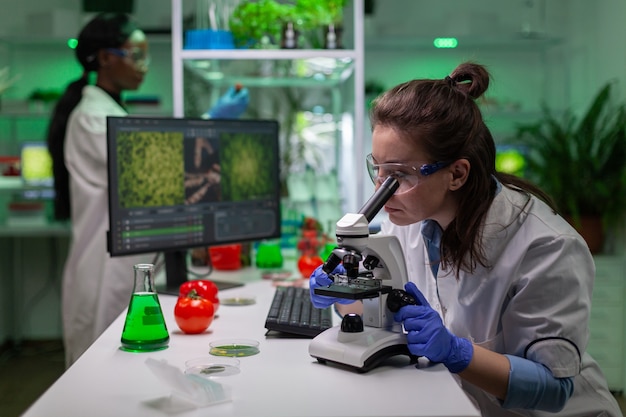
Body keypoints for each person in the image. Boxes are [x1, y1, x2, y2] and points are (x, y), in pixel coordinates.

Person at [309, 62, 622, 416]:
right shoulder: (410, 219)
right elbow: (391, 312)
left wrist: (458, 352)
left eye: (399, 175)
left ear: (456, 174)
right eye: (377, 169)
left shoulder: (547, 247)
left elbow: (553, 389)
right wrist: (339, 297)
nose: (381, 190)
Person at [46, 12, 249, 367]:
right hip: (105, 268)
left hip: (126, 260)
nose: (143, 66)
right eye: (136, 55)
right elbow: (155, 168)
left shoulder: (110, 112)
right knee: (99, 371)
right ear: (107, 57)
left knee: (127, 365)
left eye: (146, 56)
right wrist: (211, 122)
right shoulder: (93, 117)